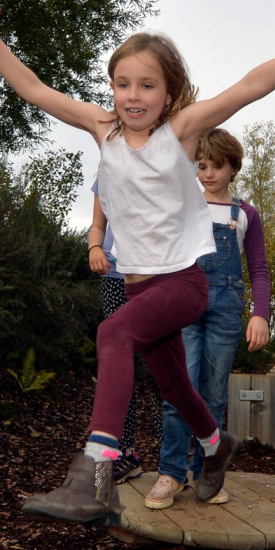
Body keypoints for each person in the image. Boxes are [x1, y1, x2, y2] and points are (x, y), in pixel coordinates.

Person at [0, 0, 275, 526]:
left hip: (182, 285)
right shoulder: (102, 130)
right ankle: (215, 445)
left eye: (147, 86)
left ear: (169, 93)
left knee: (112, 334)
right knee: (174, 386)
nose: (133, 96)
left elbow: (252, 85)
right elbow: (34, 88)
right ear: (111, 86)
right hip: (140, 288)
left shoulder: (179, 134)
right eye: (123, 84)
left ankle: (94, 471)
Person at [147, 130, 271, 510]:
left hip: (226, 310)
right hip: (185, 305)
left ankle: (208, 473)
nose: (208, 173)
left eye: (217, 166)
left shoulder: (246, 215)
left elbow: (259, 268)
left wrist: (260, 314)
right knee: (179, 391)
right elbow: (166, 257)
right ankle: (170, 472)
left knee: (213, 397)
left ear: (233, 168)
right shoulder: (186, 207)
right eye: (201, 166)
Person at [86, 187, 154, 484]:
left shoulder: (158, 158)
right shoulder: (106, 171)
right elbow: (98, 224)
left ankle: (174, 461)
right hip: (115, 279)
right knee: (118, 369)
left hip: (155, 278)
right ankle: (124, 454)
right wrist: (95, 248)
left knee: (159, 369)